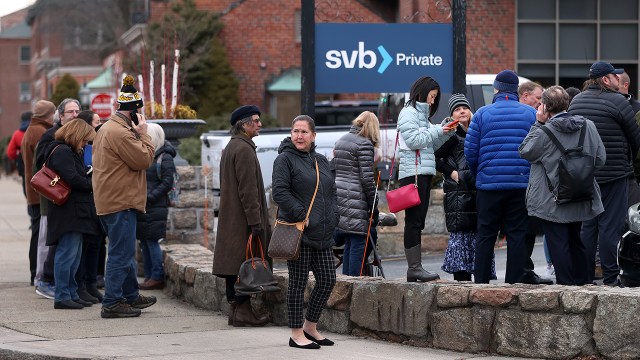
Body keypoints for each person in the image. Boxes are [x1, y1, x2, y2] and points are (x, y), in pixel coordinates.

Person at [519, 86, 606, 285]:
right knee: (577, 240)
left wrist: (538, 124)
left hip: (552, 197)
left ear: (545, 107)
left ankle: (566, 287)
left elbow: (525, 151)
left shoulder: (544, 131)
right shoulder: (588, 126)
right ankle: (584, 283)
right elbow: (600, 159)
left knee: (558, 242)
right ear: (567, 103)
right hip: (581, 193)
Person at [568, 62, 640, 286]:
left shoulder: (576, 101)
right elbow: (635, 138)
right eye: (614, 76)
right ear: (606, 80)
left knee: (588, 227)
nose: (618, 79)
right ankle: (610, 277)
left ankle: (586, 276)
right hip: (615, 174)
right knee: (610, 227)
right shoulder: (618, 101)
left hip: (585, 176)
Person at [92, 75, 157, 318]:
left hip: (112, 201)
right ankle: (111, 302)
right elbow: (144, 159)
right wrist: (144, 134)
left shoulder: (109, 128)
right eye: (140, 111)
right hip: (120, 203)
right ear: (135, 112)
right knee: (120, 253)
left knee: (125, 251)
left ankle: (129, 295)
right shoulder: (120, 132)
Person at [464, 70, 536, 284]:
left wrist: (481, 175)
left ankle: (481, 283)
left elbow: (470, 151)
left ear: (496, 89)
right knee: (516, 235)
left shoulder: (482, 114)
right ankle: (513, 282)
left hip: (488, 186)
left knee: (485, 235)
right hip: (520, 183)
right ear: (516, 90)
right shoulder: (530, 114)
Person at [272, 115, 338, 349]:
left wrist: (334, 216)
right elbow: (279, 193)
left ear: (313, 136)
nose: (299, 136)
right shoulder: (284, 159)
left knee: (328, 279)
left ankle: (311, 327)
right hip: (299, 232)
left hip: (322, 232)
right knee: (298, 284)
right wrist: (301, 214)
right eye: (295, 131)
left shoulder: (321, 160)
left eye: (304, 132)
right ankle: (296, 333)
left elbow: (331, 193)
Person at [211, 105, 271, 327]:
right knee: (244, 265)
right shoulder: (244, 149)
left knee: (235, 265)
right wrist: (256, 222)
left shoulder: (232, 146)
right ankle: (243, 312)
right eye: (256, 120)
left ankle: (237, 312)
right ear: (245, 124)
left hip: (232, 219)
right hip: (242, 221)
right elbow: (249, 190)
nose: (259, 124)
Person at [396, 76, 454, 283]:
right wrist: (437, 129)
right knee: (414, 222)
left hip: (422, 172)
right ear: (422, 93)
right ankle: (414, 268)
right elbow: (414, 140)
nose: (432, 101)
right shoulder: (409, 113)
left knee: (417, 221)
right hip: (414, 174)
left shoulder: (421, 116)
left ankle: (416, 268)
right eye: (432, 96)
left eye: (435, 98)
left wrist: (445, 131)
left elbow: (428, 144)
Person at [435, 94, 495, 282]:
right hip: (459, 193)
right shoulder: (451, 134)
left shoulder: (478, 130)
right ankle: (462, 283)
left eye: (465, 108)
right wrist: (452, 173)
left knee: (479, 235)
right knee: (461, 236)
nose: (462, 111)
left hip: (478, 190)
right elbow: (436, 158)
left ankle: (480, 280)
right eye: (457, 109)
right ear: (452, 115)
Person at [45, 119, 98, 309]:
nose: (85, 144)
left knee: (74, 254)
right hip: (68, 211)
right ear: (76, 135)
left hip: (74, 210)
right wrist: (92, 184)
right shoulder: (62, 151)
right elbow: (73, 178)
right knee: (67, 253)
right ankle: (62, 295)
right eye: (84, 140)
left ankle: (71, 292)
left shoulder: (67, 151)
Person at [32, 99, 82, 300]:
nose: (75, 115)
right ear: (60, 116)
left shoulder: (75, 136)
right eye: (71, 112)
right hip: (53, 198)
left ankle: (61, 285)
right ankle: (44, 280)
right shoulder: (51, 136)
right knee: (50, 243)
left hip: (71, 200)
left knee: (67, 247)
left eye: (78, 111)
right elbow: (42, 164)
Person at [333, 110, 379, 276]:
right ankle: (354, 285)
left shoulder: (341, 141)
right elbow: (367, 180)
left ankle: (345, 285)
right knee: (358, 243)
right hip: (356, 199)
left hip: (340, 197)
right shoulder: (365, 144)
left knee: (349, 243)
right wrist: (375, 207)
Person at [518, 81, 553, 285]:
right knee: (527, 230)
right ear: (525, 96)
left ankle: (522, 269)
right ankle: (525, 270)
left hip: (517, 179)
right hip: (526, 179)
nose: (541, 102)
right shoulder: (531, 116)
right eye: (538, 98)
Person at [136, 123, 176, 290]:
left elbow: (167, 182)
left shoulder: (164, 157)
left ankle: (157, 276)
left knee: (151, 241)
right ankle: (150, 275)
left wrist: (150, 197)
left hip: (154, 205)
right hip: (145, 204)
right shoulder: (148, 154)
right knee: (144, 241)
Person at [21, 100, 56, 287]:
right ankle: (37, 272)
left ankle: (35, 272)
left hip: (32, 190)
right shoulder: (40, 132)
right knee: (39, 235)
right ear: (48, 115)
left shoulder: (31, 129)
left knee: (36, 233)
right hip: (38, 193)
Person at [75, 110, 105, 302]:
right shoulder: (81, 147)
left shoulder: (98, 143)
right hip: (87, 200)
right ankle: (82, 285)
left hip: (99, 199)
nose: (100, 124)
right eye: (97, 121)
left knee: (98, 244)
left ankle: (93, 282)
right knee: (86, 245)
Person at [5, 111, 32, 197]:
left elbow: (10, 152)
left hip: (23, 164)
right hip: (37, 163)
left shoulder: (17, 134)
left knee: (27, 189)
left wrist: (18, 156)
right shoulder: (37, 130)